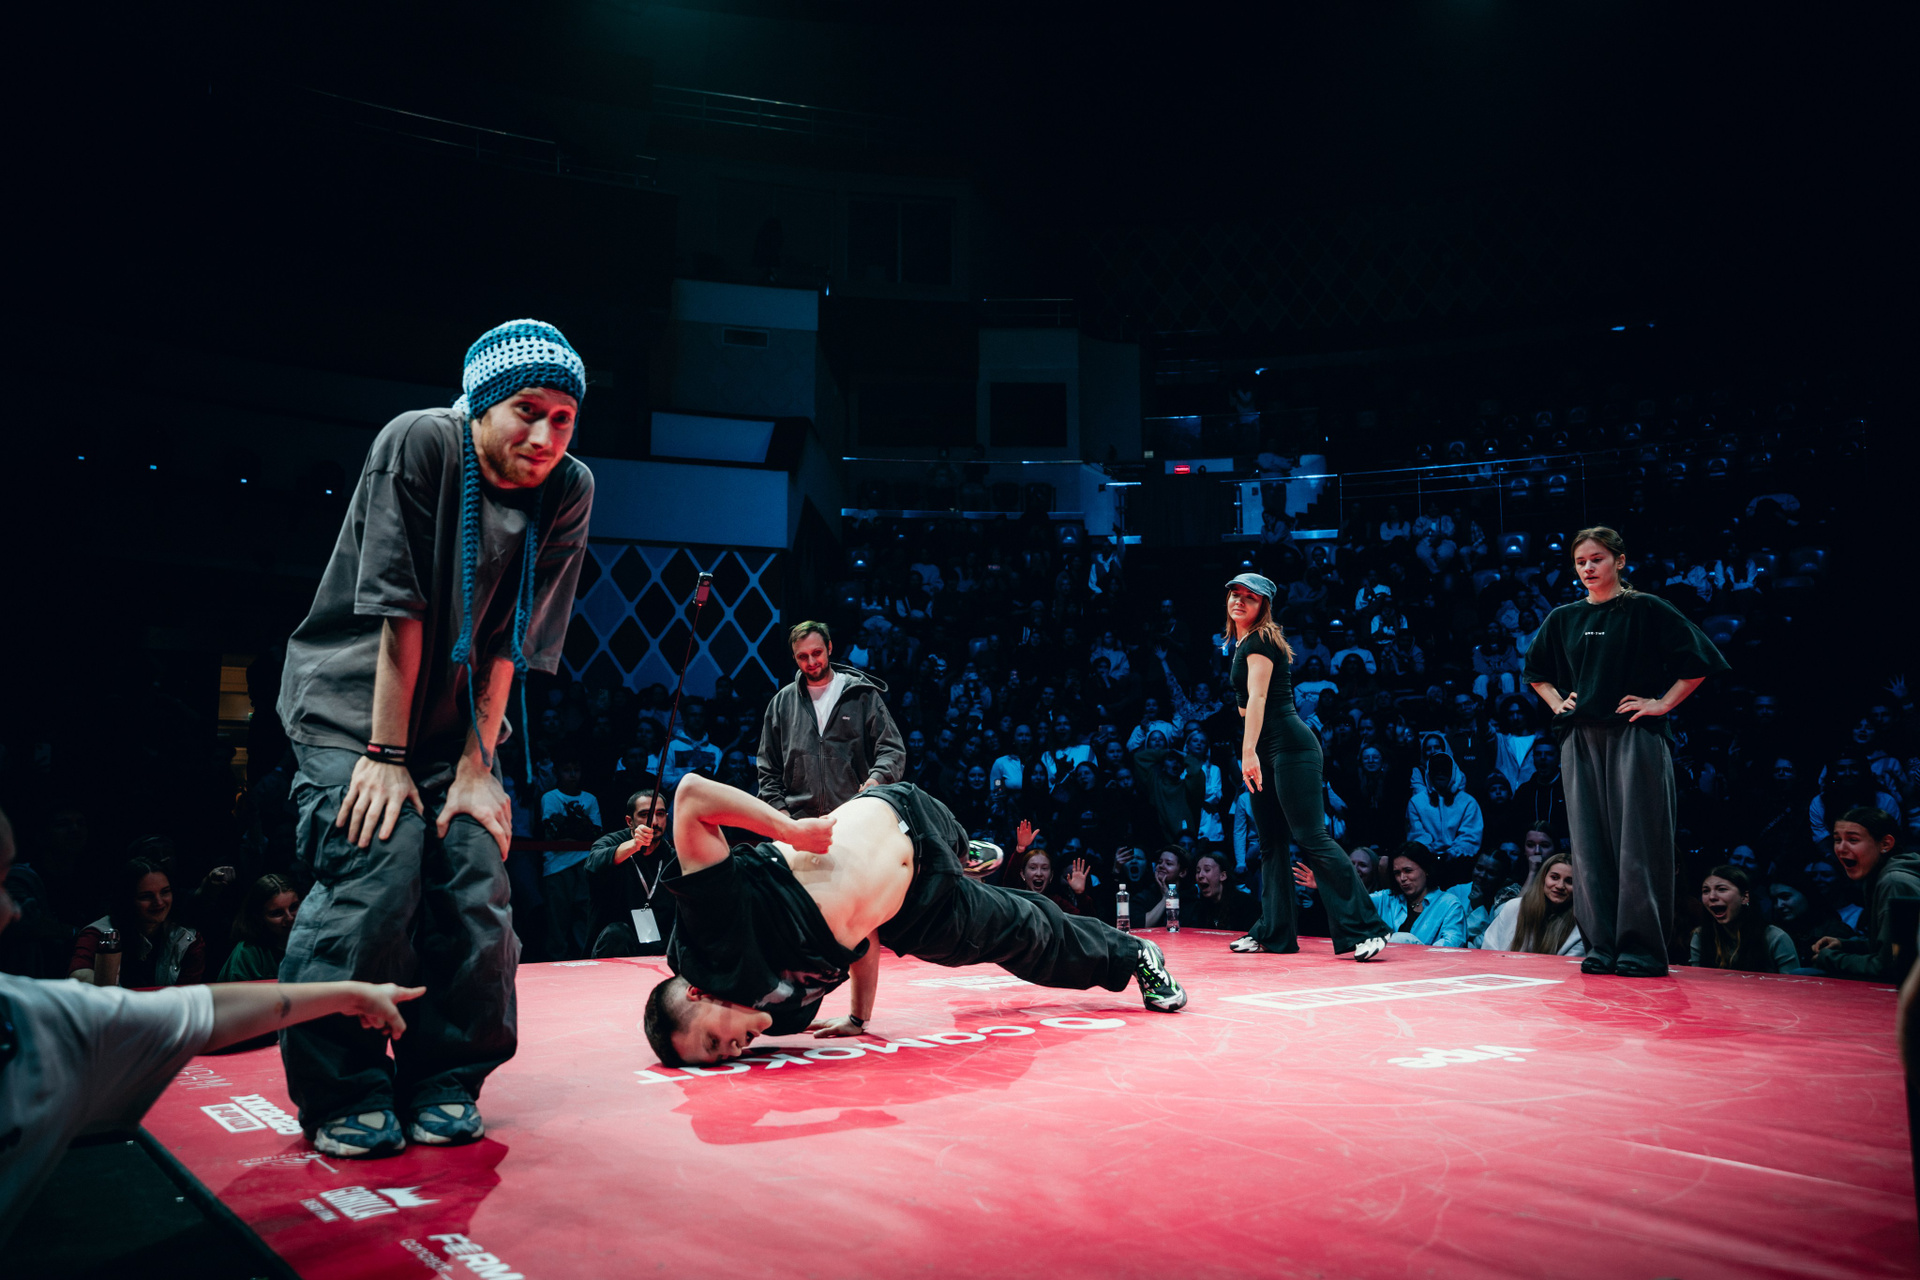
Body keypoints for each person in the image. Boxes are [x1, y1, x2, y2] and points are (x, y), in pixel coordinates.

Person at [273, 319, 595, 1157]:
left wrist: (478, 767)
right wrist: (383, 758)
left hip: (455, 727)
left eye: (563, 418)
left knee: (476, 867)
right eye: (528, 411)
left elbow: (512, 644)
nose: (545, 436)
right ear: (484, 404)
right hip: (354, 710)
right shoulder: (420, 442)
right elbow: (400, 612)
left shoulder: (569, 487)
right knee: (379, 857)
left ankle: (445, 1075)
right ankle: (342, 1083)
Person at [0, 807, 424, 1242]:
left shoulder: (45, 1009)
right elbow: (95, 988)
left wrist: (349, 994)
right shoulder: (89, 953)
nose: (13, 911)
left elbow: (203, 1009)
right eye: (0, 884)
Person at [641, 774, 1186, 1065]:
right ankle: (1137, 955)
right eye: (718, 1059)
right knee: (1024, 934)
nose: (731, 1053)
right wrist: (858, 1018)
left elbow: (691, 796)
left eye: (712, 1043)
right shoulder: (785, 1020)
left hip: (907, 819)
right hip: (912, 909)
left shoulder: (712, 936)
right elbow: (858, 940)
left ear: (696, 994)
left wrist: (791, 830)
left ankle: (962, 851)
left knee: (950, 841)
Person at [1524, 526, 1730, 977]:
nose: (1587, 568)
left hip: (1635, 736)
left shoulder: (1645, 608)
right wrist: (1558, 703)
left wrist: (1661, 703)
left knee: (1638, 843)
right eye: (1580, 562)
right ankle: (1601, 946)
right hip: (1581, 739)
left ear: (1619, 560)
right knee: (1589, 846)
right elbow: (1535, 671)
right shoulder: (1564, 617)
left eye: (1596, 559)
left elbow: (1700, 661)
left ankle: (1641, 949)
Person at [1221, 574, 1388, 959]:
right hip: (1266, 748)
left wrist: (1247, 752)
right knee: (1271, 843)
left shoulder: (1261, 639)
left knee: (1311, 836)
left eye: (1250, 597)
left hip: (1291, 747)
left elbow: (1259, 699)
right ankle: (1274, 933)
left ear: (1264, 606)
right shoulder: (1242, 643)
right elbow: (1246, 705)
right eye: (1235, 594)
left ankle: (1368, 928)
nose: (1239, 601)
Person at [757, 621, 905, 819]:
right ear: (794, 657)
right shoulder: (782, 703)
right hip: (799, 820)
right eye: (802, 656)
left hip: (855, 816)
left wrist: (876, 780)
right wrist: (781, 814)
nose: (811, 662)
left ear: (829, 647)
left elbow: (892, 749)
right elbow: (768, 769)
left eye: (817, 652)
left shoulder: (861, 695)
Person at [1811, 807, 1920, 983]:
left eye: (1853, 840)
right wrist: (1845, 945)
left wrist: (1829, 958)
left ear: (1885, 844)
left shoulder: (1894, 882)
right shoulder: (1880, 877)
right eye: (1837, 840)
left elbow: (1889, 966)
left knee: (1805, 973)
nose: (1841, 848)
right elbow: (1894, 948)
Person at [68, 856, 206, 988]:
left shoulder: (186, 938)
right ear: (127, 899)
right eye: (146, 896)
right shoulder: (100, 932)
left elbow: (188, 994)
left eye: (165, 892)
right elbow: (78, 976)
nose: (159, 902)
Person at [584, 790, 678, 958]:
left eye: (660, 814)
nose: (654, 822)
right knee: (617, 934)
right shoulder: (611, 842)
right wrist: (634, 845)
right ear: (630, 821)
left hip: (659, 946)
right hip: (616, 946)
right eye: (644, 815)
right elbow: (594, 863)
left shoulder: (672, 857)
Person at [1689, 865, 1797, 973]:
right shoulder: (1700, 936)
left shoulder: (1775, 938)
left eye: (1722, 889)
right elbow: (1696, 979)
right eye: (1706, 891)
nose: (1712, 897)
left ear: (1745, 897)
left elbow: (1793, 982)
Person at [1481, 852, 1585, 955]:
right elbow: (1489, 949)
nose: (1560, 886)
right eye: (1554, 877)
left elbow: (1572, 963)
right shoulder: (1514, 907)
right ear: (1543, 878)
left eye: (1569, 881)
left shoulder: (1580, 925)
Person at [1369, 843, 1468, 947]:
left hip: (1430, 958)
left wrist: (1408, 943)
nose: (1402, 878)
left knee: (1401, 938)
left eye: (1408, 871)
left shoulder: (1449, 904)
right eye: (1397, 873)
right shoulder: (1387, 897)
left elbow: (1452, 944)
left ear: (1426, 870)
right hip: (1387, 958)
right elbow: (1359, 901)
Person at [217, 874, 301, 981]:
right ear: (258, 917)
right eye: (277, 913)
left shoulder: (311, 941)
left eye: (294, 907)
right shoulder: (247, 955)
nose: (290, 918)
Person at [1186, 849, 1258, 932]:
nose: (1200, 875)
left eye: (1207, 870)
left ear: (1223, 875)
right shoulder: (1199, 907)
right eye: (1198, 871)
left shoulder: (1246, 904)